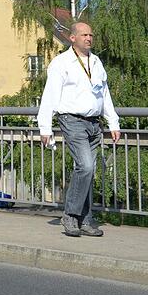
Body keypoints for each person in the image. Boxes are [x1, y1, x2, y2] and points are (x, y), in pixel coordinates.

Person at [37, 21, 121, 238]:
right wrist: (45, 126)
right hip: (71, 120)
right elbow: (50, 95)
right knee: (84, 167)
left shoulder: (96, 62)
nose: (89, 38)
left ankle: (84, 220)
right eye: (84, 34)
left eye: (91, 35)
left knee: (88, 171)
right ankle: (70, 215)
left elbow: (104, 94)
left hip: (94, 123)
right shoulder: (61, 63)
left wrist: (113, 122)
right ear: (72, 38)